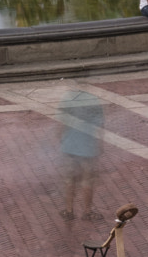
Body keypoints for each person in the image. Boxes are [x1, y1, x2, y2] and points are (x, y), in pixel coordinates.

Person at [56, 86, 103, 222]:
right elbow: (99, 125)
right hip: (88, 146)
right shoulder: (93, 100)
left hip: (70, 145)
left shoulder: (67, 98)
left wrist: (60, 138)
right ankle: (87, 212)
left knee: (70, 178)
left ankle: (69, 210)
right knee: (87, 179)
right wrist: (100, 144)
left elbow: (61, 123)